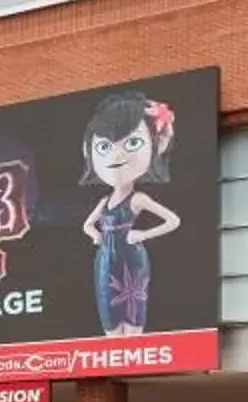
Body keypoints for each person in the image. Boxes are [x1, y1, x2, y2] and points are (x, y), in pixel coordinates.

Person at [76, 91, 182, 336]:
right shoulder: (104, 202)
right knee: (108, 306)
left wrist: (143, 234)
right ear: (88, 150)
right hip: (106, 260)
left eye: (132, 142)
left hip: (131, 258)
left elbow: (173, 220)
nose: (115, 155)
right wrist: (95, 235)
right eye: (103, 146)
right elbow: (88, 225)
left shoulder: (138, 199)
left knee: (133, 306)